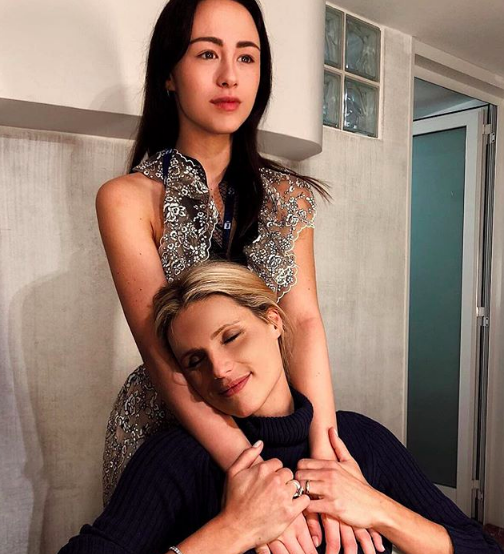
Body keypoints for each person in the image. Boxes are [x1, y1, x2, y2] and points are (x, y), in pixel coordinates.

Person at [97, 0, 356, 551]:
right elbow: (161, 353)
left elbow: (304, 323)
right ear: (169, 74)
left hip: (270, 427)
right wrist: (259, 482)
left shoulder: (289, 195)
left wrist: (325, 459)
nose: (229, 76)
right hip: (172, 427)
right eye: (206, 54)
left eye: (247, 56)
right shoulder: (126, 199)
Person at [58, 261, 502, 554]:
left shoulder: (357, 440)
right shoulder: (177, 459)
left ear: (273, 321)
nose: (219, 369)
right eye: (195, 361)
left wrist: (378, 508)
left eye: (231, 337)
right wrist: (233, 531)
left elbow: (481, 547)